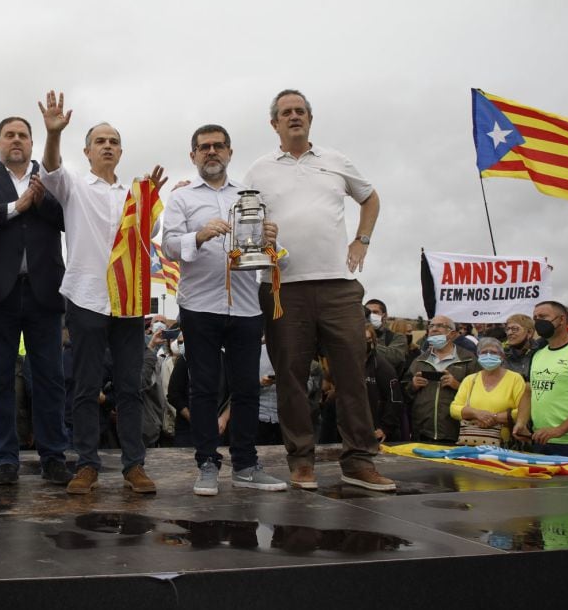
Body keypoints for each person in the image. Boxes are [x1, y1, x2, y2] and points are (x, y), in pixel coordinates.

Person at [244, 89, 394, 491]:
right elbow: (245, 223)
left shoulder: (335, 160)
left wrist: (362, 239)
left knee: (351, 376)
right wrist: (261, 238)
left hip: (338, 285)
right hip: (282, 287)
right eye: (285, 113)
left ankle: (359, 461)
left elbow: (370, 198)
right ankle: (301, 461)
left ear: (310, 118)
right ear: (273, 123)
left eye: (300, 111)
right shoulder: (258, 169)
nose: (294, 117)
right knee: (290, 378)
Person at [39, 90, 167, 495]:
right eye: (100, 141)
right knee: (84, 387)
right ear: (88, 150)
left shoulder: (135, 195)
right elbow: (50, 168)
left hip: (128, 304)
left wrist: (151, 200)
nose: (108, 146)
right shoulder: (74, 186)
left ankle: (134, 466)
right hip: (86, 297)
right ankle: (88, 464)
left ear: (121, 151)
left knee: (130, 387)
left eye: (114, 141)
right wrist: (53, 133)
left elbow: (149, 238)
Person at [162, 124, 287, 495]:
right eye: (204, 147)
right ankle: (206, 463)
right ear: (193, 156)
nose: (211, 152)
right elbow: (168, 246)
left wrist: (270, 240)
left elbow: (270, 255)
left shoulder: (250, 197)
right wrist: (198, 236)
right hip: (199, 304)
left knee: (247, 387)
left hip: (247, 306)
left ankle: (246, 464)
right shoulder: (182, 199)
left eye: (218, 146)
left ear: (230, 153)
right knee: (202, 388)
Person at [0, 115, 71, 486]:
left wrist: (39, 199)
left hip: (44, 290)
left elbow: (68, 218)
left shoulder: (53, 178)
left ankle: (53, 455)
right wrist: (21, 203)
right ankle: (5, 458)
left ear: (33, 144)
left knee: (49, 377)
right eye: (9, 135)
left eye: (23, 135)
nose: (16, 141)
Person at [513, 301, 568, 458]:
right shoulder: (537, 353)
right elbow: (528, 392)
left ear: (562, 319)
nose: (538, 321)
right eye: (535, 317)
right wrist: (521, 422)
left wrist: (559, 430)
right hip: (540, 441)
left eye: (543, 316)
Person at [403, 315, 479, 443]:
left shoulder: (469, 360)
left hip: (457, 434)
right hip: (423, 434)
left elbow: (482, 394)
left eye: (440, 326)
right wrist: (413, 385)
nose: (434, 329)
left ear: (453, 334)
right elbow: (404, 393)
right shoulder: (419, 360)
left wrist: (458, 386)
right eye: (431, 326)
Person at [449, 337, 525, 446]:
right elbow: (454, 409)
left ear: (502, 356)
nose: (488, 355)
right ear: (478, 356)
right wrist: (476, 414)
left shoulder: (515, 379)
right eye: (484, 352)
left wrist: (494, 418)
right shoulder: (470, 379)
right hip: (471, 444)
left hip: (505, 445)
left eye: (493, 352)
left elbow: (523, 411)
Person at [364, 299, 409, 377]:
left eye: (375, 312)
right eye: (368, 313)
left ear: (385, 315)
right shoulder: (355, 336)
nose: (371, 316)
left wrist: (368, 344)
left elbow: (394, 357)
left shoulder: (397, 337)